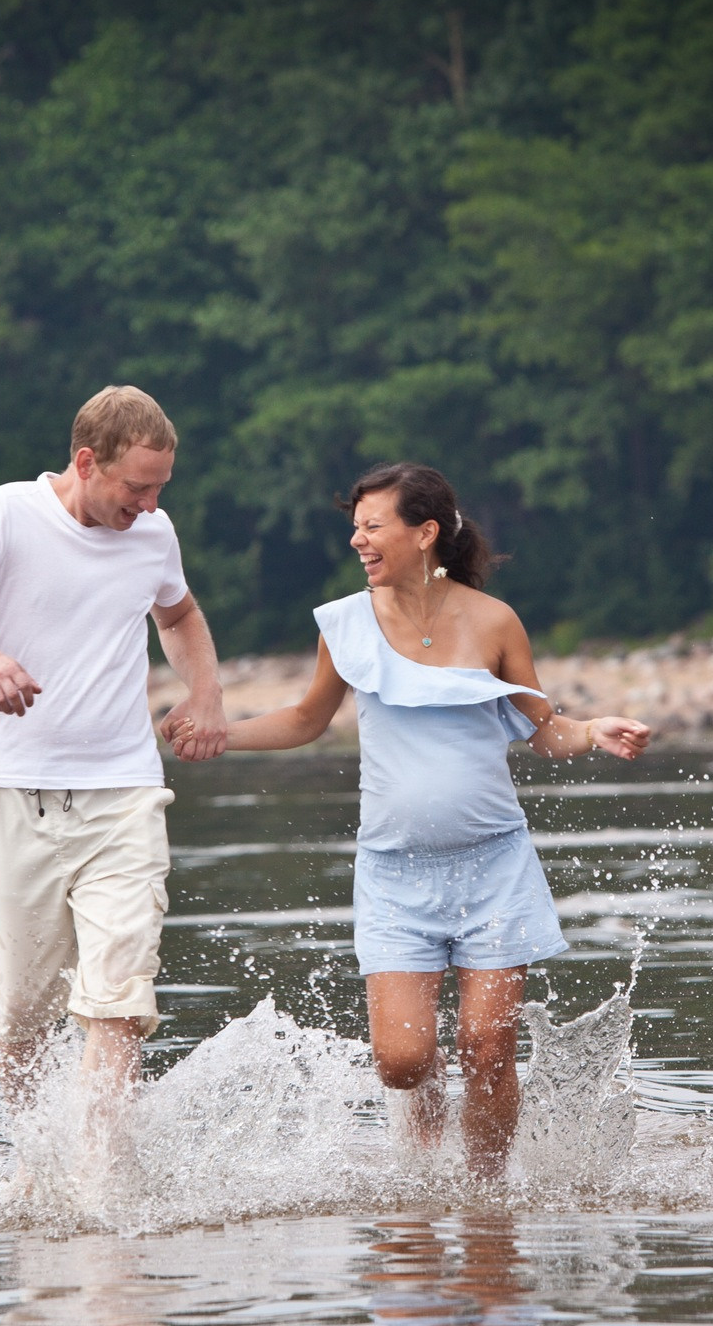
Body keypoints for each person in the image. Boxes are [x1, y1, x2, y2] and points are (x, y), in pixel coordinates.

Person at [215, 462, 650, 1175]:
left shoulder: (494, 621)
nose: (358, 538)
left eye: (372, 525)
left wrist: (594, 728)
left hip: (494, 865)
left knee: (490, 1047)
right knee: (401, 1061)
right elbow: (304, 718)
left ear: (425, 533)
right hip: (394, 872)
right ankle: (426, 1154)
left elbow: (544, 728)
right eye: (354, 525)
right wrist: (220, 734)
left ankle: (484, 1194)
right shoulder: (345, 623)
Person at [0, 385, 227, 1129]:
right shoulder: (0, 513)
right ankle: (36, 1162)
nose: (148, 504)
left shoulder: (154, 533)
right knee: (23, 1011)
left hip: (124, 792)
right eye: (136, 486)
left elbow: (178, 614)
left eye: (160, 488)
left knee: (119, 998)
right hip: (11, 792)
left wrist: (205, 692)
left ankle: (99, 1184)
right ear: (87, 461)